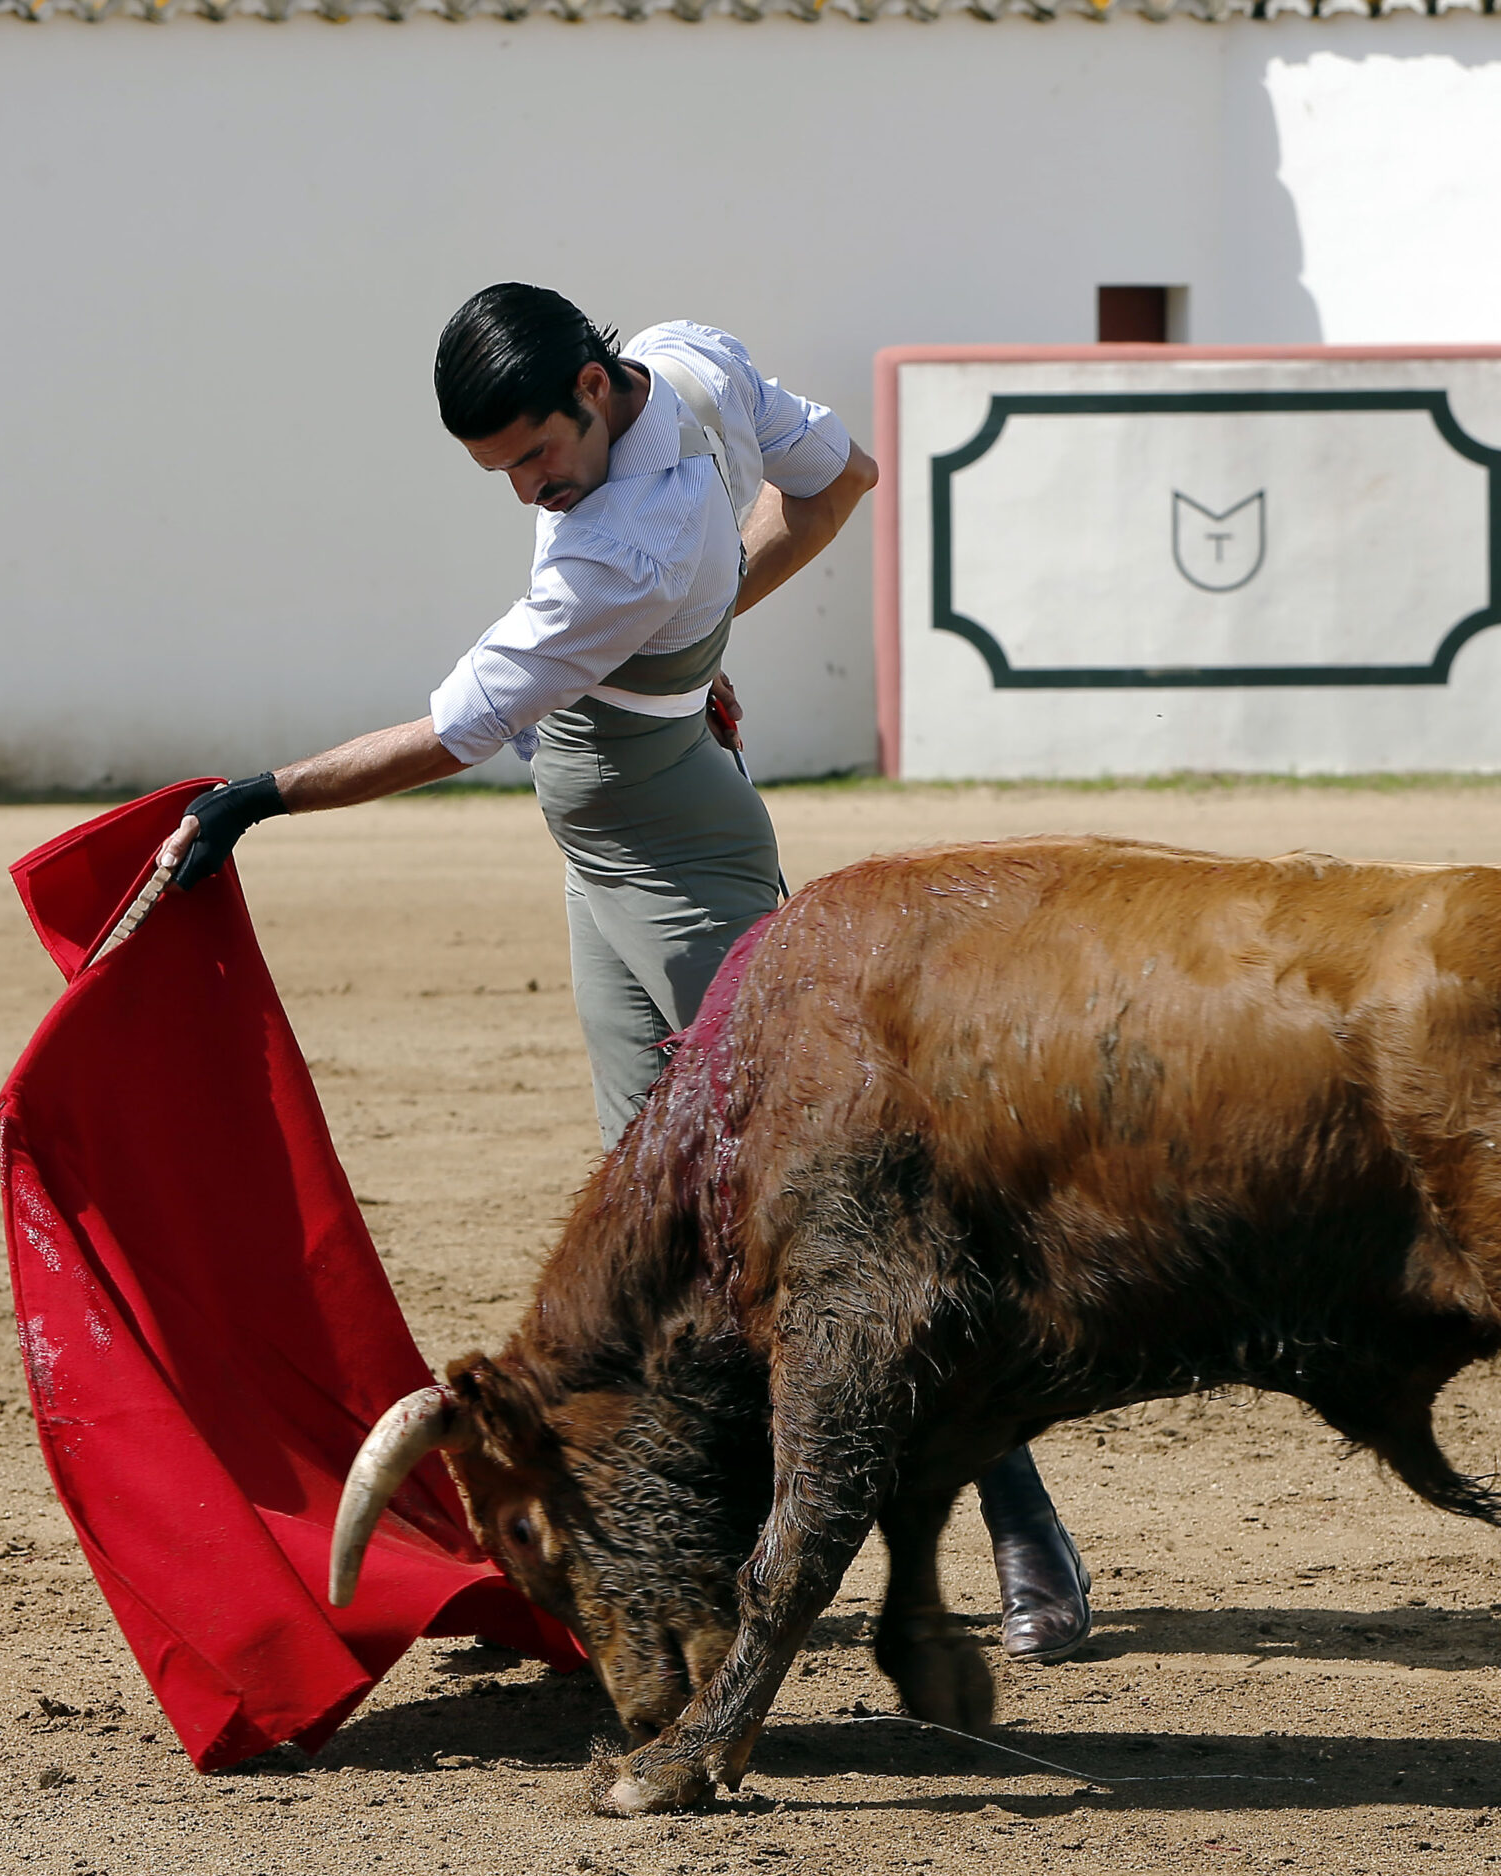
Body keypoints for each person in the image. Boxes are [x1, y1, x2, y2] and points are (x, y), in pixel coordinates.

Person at [151, 284, 1090, 1661]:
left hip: (679, 864)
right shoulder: (686, 358)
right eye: (502, 471)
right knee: (658, 1214)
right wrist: (683, 653)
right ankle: (691, 1541)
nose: (529, 490)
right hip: (612, 856)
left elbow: (455, 733)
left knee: (823, 1202)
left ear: (593, 389)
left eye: (536, 456)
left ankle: (1018, 1514)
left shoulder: (621, 549)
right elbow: (840, 482)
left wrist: (259, 797)